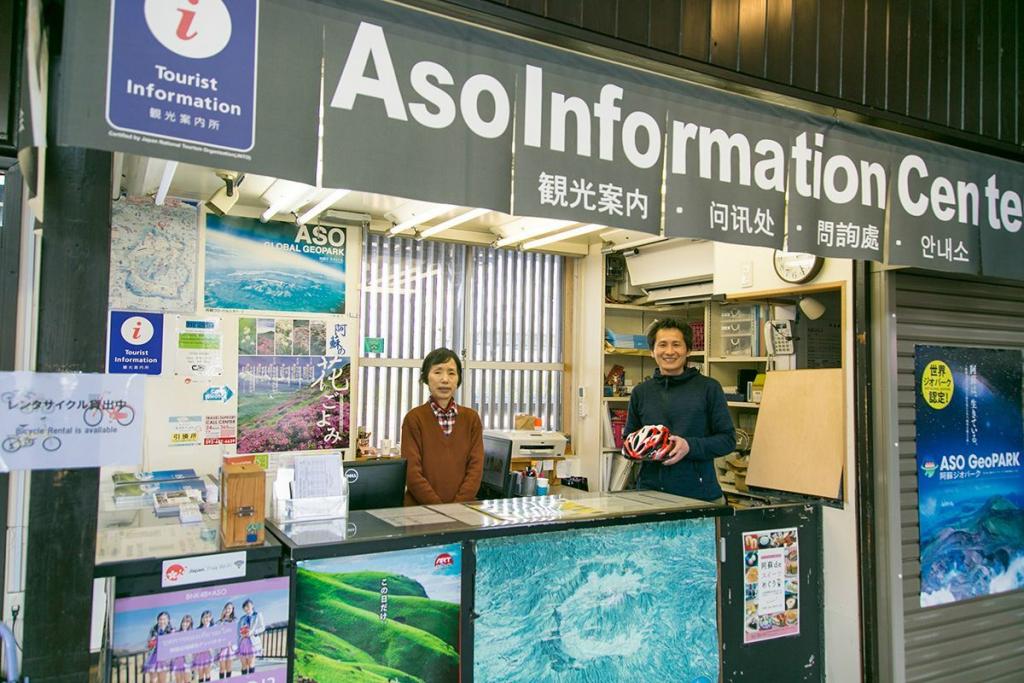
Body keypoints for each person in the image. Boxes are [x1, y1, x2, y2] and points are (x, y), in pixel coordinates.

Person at [624, 318, 735, 502]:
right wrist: (637, 447)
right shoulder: (641, 392)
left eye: (676, 344)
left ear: (688, 350)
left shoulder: (709, 388)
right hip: (650, 496)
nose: (669, 351)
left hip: (700, 496)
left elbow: (727, 440)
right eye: (662, 345)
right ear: (652, 351)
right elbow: (628, 439)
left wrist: (689, 446)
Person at [401, 347, 484, 505]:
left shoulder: (471, 419)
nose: (445, 379)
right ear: (426, 377)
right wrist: (441, 510)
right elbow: (412, 474)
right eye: (438, 372)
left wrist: (456, 508)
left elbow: (475, 470)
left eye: (451, 373)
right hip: (420, 513)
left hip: (463, 512)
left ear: (458, 379)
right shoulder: (414, 419)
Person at [142, 611, 174, 683]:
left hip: (164, 658)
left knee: (162, 680)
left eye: (164, 619)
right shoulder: (153, 629)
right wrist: (152, 641)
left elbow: (173, 644)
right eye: (160, 619)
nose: (162, 621)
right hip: (153, 656)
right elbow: (148, 644)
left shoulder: (171, 630)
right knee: (153, 680)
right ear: (158, 620)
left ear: (168, 620)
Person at [236, 599, 265, 675]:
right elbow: (238, 632)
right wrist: (241, 634)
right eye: (245, 607)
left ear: (252, 606)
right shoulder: (242, 619)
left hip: (252, 642)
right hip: (242, 643)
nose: (246, 608)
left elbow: (262, 627)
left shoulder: (257, 614)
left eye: (248, 606)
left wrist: (252, 632)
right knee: (244, 665)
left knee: (251, 664)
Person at [192, 610, 215, 682]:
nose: (206, 619)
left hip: (209, 654)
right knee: (200, 674)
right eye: (204, 617)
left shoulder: (214, 628)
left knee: (208, 673)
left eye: (208, 617)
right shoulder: (197, 630)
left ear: (211, 618)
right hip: (199, 654)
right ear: (201, 619)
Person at [215, 602, 236, 678]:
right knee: (222, 668)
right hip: (221, 647)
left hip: (230, 647)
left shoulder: (234, 620)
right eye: (226, 608)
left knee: (229, 668)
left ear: (232, 610)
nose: (228, 610)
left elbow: (235, 633)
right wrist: (222, 619)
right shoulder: (219, 622)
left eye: (230, 608)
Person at [171, 615, 192, 683]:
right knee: (178, 680)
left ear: (190, 624)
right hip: (177, 660)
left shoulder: (192, 634)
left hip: (187, 660)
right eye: (183, 621)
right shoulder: (176, 632)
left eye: (187, 622)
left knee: (187, 680)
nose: (185, 623)